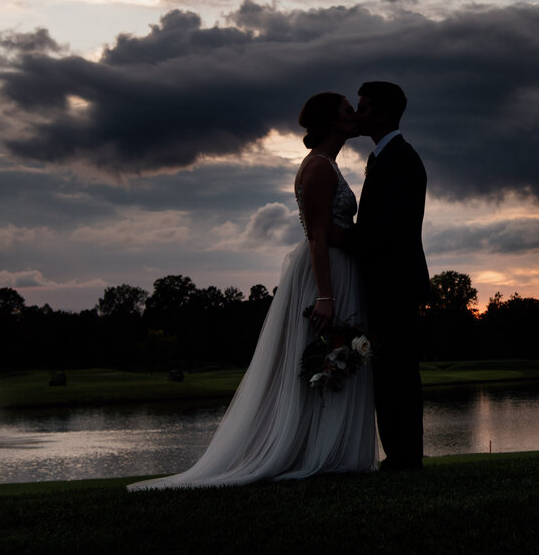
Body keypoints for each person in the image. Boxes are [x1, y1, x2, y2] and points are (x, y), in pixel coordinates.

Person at [128, 92, 376, 490]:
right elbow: (316, 236)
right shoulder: (318, 168)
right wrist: (326, 296)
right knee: (322, 355)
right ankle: (308, 452)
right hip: (323, 273)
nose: (354, 116)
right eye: (348, 111)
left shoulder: (328, 165)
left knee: (335, 358)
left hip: (339, 268)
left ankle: (329, 450)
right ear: (331, 120)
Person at [350, 81, 431, 471]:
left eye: (363, 108)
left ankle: (405, 456)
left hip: (395, 283)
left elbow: (394, 226)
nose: (357, 113)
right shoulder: (387, 156)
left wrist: (344, 236)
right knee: (388, 369)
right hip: (385, 281)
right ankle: (399, 454)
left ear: (382, 114)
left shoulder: (401, 159)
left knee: (397, 369)